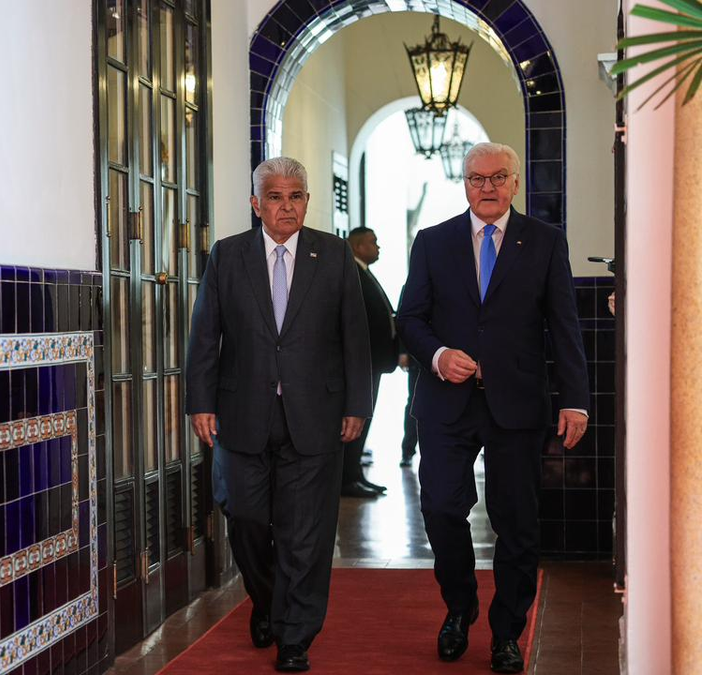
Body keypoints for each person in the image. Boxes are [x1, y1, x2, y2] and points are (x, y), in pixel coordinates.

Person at [396, 142, 588, 674]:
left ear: (515, 183)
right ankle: (459, 608)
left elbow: (564, 324)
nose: (487, 187)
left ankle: (507, 633)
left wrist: (575, 400)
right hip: (445, 403)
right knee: (439, 508)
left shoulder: (545, 242)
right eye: (477, 178)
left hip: (518, 403)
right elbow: (409, 317)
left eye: (498, 177)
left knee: (517, 522)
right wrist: (437, 354)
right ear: (464, 183)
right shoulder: (433, 243)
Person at [186, 156, 372, 672]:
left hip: (316, 415)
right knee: (243, 516)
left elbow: (354, 336)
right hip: (241, 413)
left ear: (307, 202)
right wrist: (200, 401)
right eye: (275, 196)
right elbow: (205, 335)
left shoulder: (333, 256)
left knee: (305, 533)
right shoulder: (228, 256)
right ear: (256, 203)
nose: (286, 205)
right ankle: (267, 601)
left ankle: (295, 636)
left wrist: (359, 403)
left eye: (295, 196)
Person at [341, 227, 400, 497]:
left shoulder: (363, 271)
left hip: (374, 363)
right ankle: (348, 478)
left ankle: (356, 474)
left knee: (363, 419)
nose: (378, 247)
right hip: (362, 364)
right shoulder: (352, 274)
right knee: (355, 419)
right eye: (372, 242)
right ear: (356, 246)